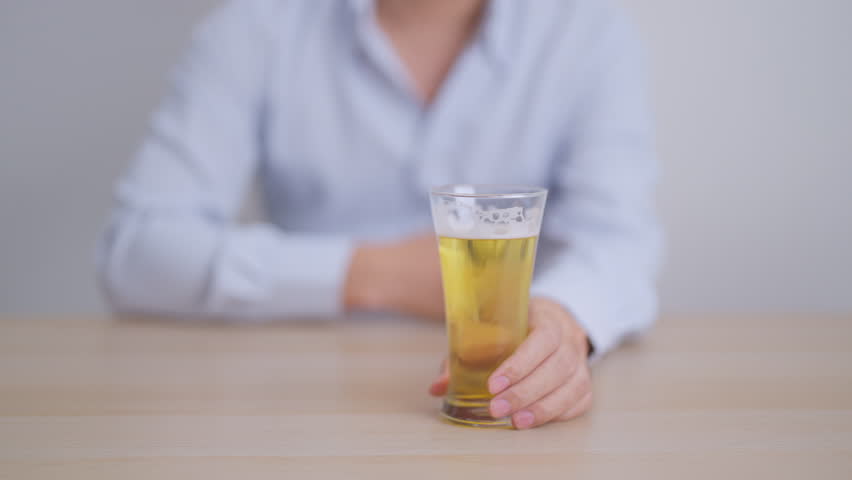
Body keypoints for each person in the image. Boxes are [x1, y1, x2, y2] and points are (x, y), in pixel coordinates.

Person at [98, 0, 661, 429]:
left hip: (511, 412)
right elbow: (138, 251)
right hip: (298, 403)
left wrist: (565, 322)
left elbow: (622, 244)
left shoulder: (584, 30)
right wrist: (372, 274)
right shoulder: (257, 24)